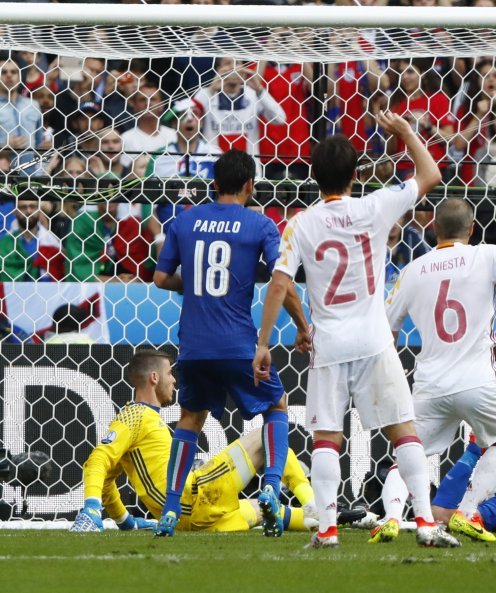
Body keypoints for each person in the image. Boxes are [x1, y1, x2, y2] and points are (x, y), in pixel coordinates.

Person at [252, 112, 459, 549]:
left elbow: (279, 283)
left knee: (327, 436)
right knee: (404, 429)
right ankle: (424, 524)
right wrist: (406, 133)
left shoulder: (300, 223)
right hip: (374, 338)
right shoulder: (376, 205)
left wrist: (264, 342)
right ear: (355, 174)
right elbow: (432, 174)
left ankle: (327, 531)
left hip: (329, 343)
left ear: (313, 175)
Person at [151, 149, 310, 538]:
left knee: (190, 420)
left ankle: (171, 510)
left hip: (194, 345)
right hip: (239, 344)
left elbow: (159, 278)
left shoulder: (184, 221)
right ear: (250, 186)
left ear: (214, 184)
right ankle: (272, 487)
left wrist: (193, 288)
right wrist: (303, 326)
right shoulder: (261, 226)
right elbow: (282, 281)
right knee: (276, 405)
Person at [379, 197, 496, 544]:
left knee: (409, 450)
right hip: (478, 381)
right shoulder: (484, 255)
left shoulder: (413, 270)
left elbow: (386, 332)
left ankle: (391, 517)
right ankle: (468, 512)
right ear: (471, 229)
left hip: (430, 383)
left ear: (433, 228)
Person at [69, 350, 317, 534]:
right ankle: (313, 504)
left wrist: (125, 521)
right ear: (154, 378)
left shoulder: (143, 421)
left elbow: (106, 478)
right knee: (268, 437)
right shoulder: (134, 415)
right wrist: (91, 509)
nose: (174, 381)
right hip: (193, 496)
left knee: (259, 508)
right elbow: (97, 460)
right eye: (169, 374)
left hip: (191, 520)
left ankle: (328, 519)